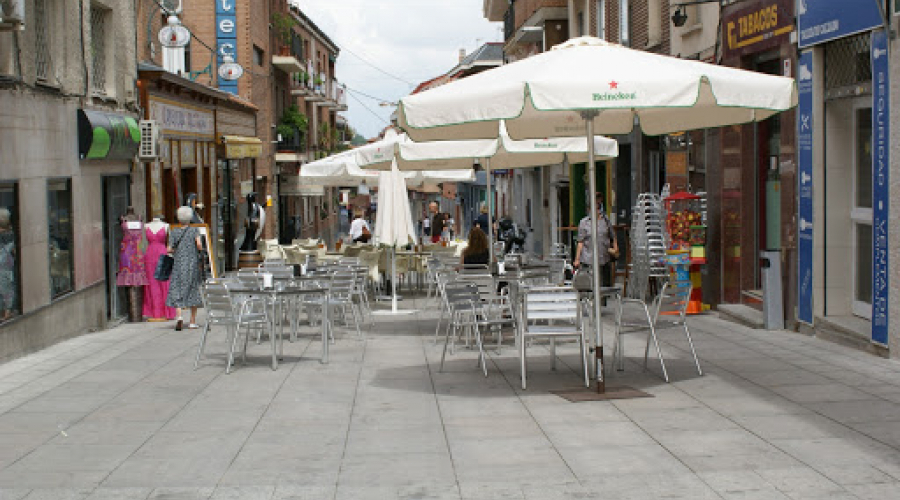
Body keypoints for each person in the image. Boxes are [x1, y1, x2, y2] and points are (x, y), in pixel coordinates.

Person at [166, 206, 204, 331]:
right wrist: (198, 248)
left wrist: (177, 250)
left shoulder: (174, 231)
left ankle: (179, 316)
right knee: (192, 290)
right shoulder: (194, 231)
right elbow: (199, 245)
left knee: (177, 288)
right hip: (192, 263)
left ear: (179, 218)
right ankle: (192, 321)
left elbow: (169, 249)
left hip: (179, 263)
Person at [573, 193, 619, 288]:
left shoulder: (606, 221)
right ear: (589, 209)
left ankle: (602, 302)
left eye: (598, 207)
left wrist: (615, 248)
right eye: (594, 207)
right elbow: (580, 242)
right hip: (588, 260)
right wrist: (577, 259)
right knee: (590, 286)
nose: (597, 210)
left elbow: (612, 235)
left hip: (604, 259)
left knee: (605, 287)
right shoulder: (584, 222)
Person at [0, 208, 17, 321]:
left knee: (6, 287)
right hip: (7, 265)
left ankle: (6, 312)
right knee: (7, 288)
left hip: (4, 265)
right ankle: (6, 311)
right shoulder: (11, 234)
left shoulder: (7, 235)